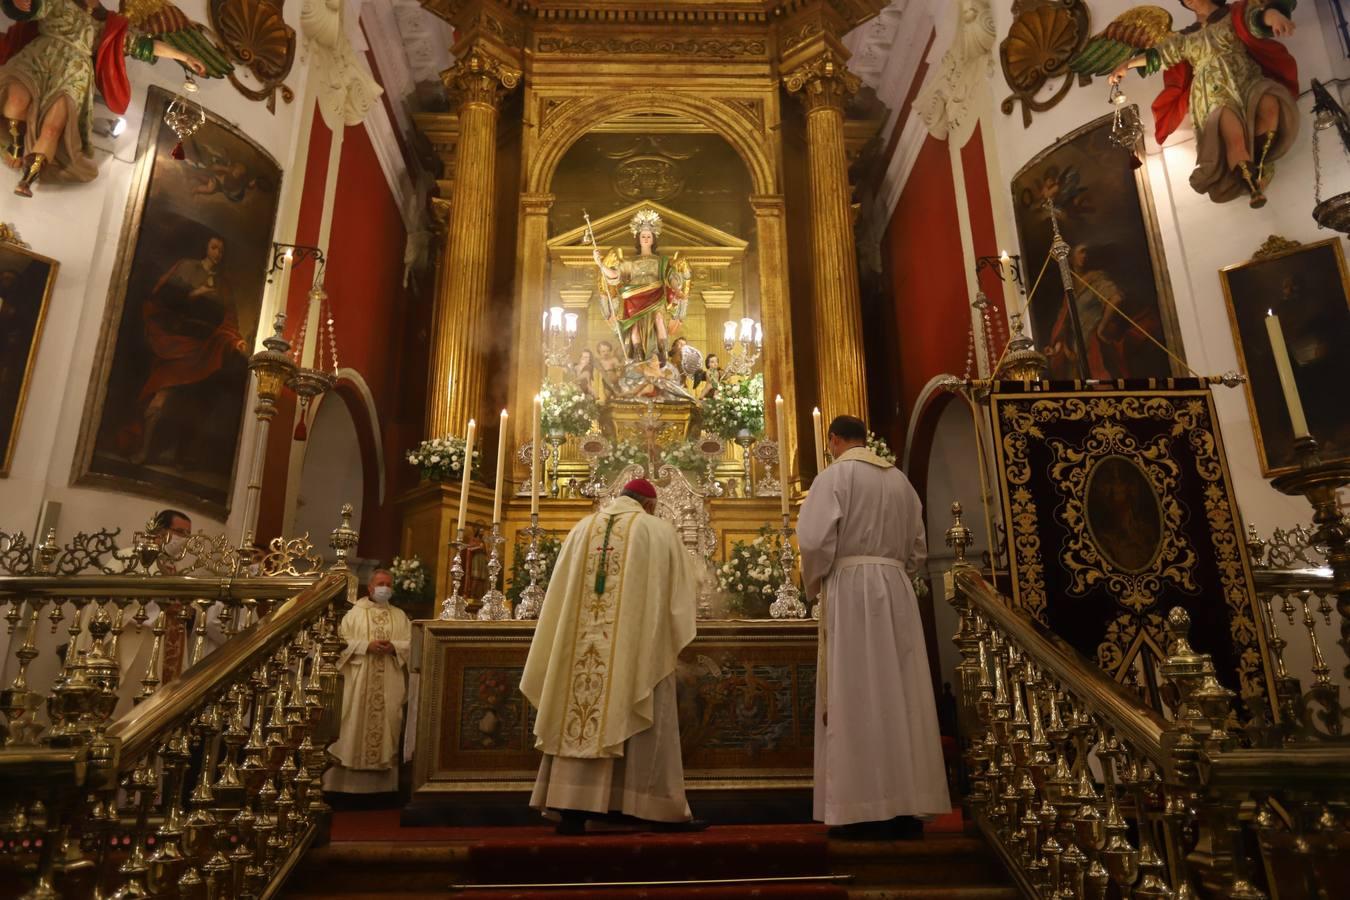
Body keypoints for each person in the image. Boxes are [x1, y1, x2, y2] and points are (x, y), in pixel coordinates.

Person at [521, 478, 704, 834]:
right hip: (636, 649)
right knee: (637, 702)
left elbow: (557, 599)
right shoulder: (657, 530)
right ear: (649, 505)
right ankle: (645, 806)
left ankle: (571, 805)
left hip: (576, 647)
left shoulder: (580, 530)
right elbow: (681, 593)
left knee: (575, 708)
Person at [797, 415, 950, 839]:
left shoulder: (834, 476)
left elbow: (812, 541)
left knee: (855, 690)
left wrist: (816, 579)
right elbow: (918, 548)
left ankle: (859, 806)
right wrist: (892, 569)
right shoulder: (899, 481)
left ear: (834, 441)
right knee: (900, 693)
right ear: (867, 438)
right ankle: (906, 803)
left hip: (850, 591)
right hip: (895, 589)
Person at [1085, 0, 1298, 207]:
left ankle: (1259, 162)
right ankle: (1251, 185)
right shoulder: (1185, 37)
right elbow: (1160, 55)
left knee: (1271, 103)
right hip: (1212, 93)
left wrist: (1275, 16)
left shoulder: (1234, 14)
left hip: (1245, 77)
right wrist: (1128, 64)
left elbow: (1257, 17)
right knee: (1233, 137)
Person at [0, 0, 209, 196]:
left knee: (52, 129)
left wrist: (183, 56)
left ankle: (27, 180)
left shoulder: (111, 23)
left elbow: (145, 45)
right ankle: (16, 145)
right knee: (16, 100)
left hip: (74, 74)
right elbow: (28, 8)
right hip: (41, 55)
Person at [119, 234, 250, 467]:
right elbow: (164, 299)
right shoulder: (187, 267)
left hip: (204, 349)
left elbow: (229, 319)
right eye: (214, 247)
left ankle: (177, 454)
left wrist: (237, 340)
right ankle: (142, 449)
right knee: (159, 397)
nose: (217, 253)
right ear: (206, 248)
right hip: (179, 343)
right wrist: (193, 294)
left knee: (191, 406)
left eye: (221, 250)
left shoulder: (223, 284)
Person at [324, 569, 413, 795]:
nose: (386, 588)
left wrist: (394, 647)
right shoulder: (353, 614)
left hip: (389, 682)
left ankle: (382, 789)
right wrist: (365, 646)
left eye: (389, 584)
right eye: (381, 583)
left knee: (387, 726)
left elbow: (412, 645)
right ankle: (344, 788)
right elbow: (339, 643)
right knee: (351, 727)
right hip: (359, 679)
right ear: (370, 588)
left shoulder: (400, 616)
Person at [592, 208, 691, 365]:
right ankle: (637, 353)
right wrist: (600, 264)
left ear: (653, 239)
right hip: (634, 298)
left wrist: (677, 290)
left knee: (659, 319)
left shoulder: (661, 261)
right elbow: (614, 275)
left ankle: (663, 351)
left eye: (648, 236)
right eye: (643, 236)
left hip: (656, 295)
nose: (645, 238)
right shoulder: (630, 262)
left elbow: (671, 276)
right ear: (638, 239)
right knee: (634, 326)